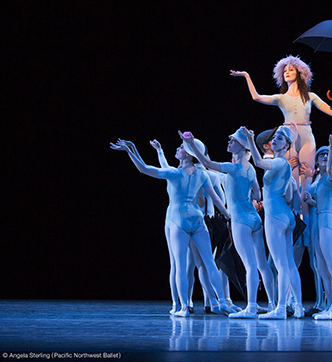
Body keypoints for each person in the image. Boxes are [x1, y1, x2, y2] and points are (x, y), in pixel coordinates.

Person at [110, 136, 237, 317]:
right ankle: (221, 302)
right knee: (209, 262)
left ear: (188, 153)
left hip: (178, 220)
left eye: (181, 147)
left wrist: (130, 149)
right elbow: (217, 199)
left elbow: (144, 168)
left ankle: (183, 307)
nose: (178, 149)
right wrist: (228, 216)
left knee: (179, 265)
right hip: (197, 219)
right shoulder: (201, 174)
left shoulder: (174, 174)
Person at [180, 129, 277, 318]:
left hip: (240, 219)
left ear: (241, 146)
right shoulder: (250, 169)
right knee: (262, 264)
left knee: (250, 265)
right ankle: (272, 304)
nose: (229, 142)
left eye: (232, 140)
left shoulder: (233, 168)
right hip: (254, 219)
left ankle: (251, 307)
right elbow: (257, 194)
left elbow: (207, 163)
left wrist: (192, 145)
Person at [230, 56, 332, 200]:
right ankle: (295, 212)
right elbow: (256, 97)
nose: (287, 72)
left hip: (307, 138)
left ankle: (305, 212)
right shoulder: (281, 98)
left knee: (306, 178)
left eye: (291, 70)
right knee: (293, 179)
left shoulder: (310, 96)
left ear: (299, 73)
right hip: (288, 139)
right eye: (284, 71)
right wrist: (246, 76)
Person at [240, 125, 304, 319]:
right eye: (275, 137)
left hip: (275, 217)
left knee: (281, 265)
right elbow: (291, 196)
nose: (275, 139)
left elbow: (258, 162)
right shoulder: (286, 168)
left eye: (280, 138)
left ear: (287, 145)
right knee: (289, 264)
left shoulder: (279, 163)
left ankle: (281, 308)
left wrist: (250, 139)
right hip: (286, 215)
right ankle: (299, 307)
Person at [303, 133, 332, 320]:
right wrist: (310, 201)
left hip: (328, 222)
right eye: (322, 154)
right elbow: (318, 202)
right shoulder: (318, 181)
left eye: (328, 154)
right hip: (318, 223)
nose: (325, 156)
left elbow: (330, 170)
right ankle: (329, 306)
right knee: (322, 268)